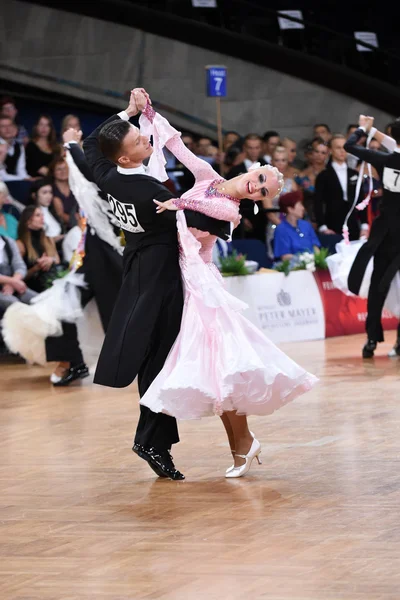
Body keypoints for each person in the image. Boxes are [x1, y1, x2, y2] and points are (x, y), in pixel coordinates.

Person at [136, 90, 318, 478]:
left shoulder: (229, 210)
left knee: (220, 367)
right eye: (260, 179)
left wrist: (174, 203)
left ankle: (243, 443)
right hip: (185, 276)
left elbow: (194, 216)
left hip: (198, 283)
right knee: (217, 371)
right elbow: (178, 148)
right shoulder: (210, 177)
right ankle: (243, 444)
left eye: (264, 191)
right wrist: (149, 113)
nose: (257, 187)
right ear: (254, 169)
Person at [83, 88, 233, 481]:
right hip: (162, 277)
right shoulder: (149, 191)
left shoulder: (109, 175)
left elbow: (89, 143)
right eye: (137, 139)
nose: (145, 137)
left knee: (157, 358)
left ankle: (153, 441)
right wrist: (233, 204)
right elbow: (193, 222)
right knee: (162, 360)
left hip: (136, 270)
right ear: (125, 157)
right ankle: (151, 440)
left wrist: (128, 113)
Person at [2, 128, 125, 386]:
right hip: (91, 258)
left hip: (112, 259)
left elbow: (85, 170)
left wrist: (71, 144)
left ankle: (133, 362)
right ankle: (71, 362)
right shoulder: (100, 180)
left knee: (119, 318)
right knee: (56, 308)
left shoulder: (116, 180)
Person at [344, 115, 400, 358]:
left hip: (387, 233)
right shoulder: (387, 155)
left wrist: (364, 129)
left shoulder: (384, 159)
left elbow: (349, 147)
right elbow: (392, 143)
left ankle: (371, 339)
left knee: (379, 286)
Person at [314, 134, 367, 241]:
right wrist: (323, 226)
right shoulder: (323, 175)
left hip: (353, 225)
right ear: (330, 150)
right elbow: (318, 203)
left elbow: (361, 200)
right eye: (338, 147)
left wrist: (365, 225)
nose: (342, 151)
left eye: (345, 147)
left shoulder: (354, 174)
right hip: (332, 224)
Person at [16, 205, 62, 293]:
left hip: (53, 280)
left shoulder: (48, 239)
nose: (42, 218)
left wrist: (50, 260)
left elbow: (57, 261)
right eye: (38, 215)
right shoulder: (20, 244)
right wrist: (36, 268)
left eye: (42, 215)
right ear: (28, 221)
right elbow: (19, 275)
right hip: (33, 286)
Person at [273, 191, 321, 261]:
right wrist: (304, 259)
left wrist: (318, 260)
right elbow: (285, 257)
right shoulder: (281, 229)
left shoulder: (306, 225)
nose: (303, 208)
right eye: (300, 205)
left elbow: (315, 246)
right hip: (294, 268)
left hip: (312, 264)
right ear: (290, 209)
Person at [0, 234, 36, 315]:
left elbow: (20, 265)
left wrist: (14, 282)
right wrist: (12, 281)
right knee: (15, 305)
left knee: (39, 300)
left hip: (14, 285)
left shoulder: (7, 241)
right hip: (8, 286)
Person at [50, 158, 78, 230]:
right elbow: (61, 215)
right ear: (53, 172)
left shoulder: (76, 186)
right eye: (59, 169)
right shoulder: (51, 190)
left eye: (65, 168)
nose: (63, 171)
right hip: (65, 228)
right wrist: (79, 223)